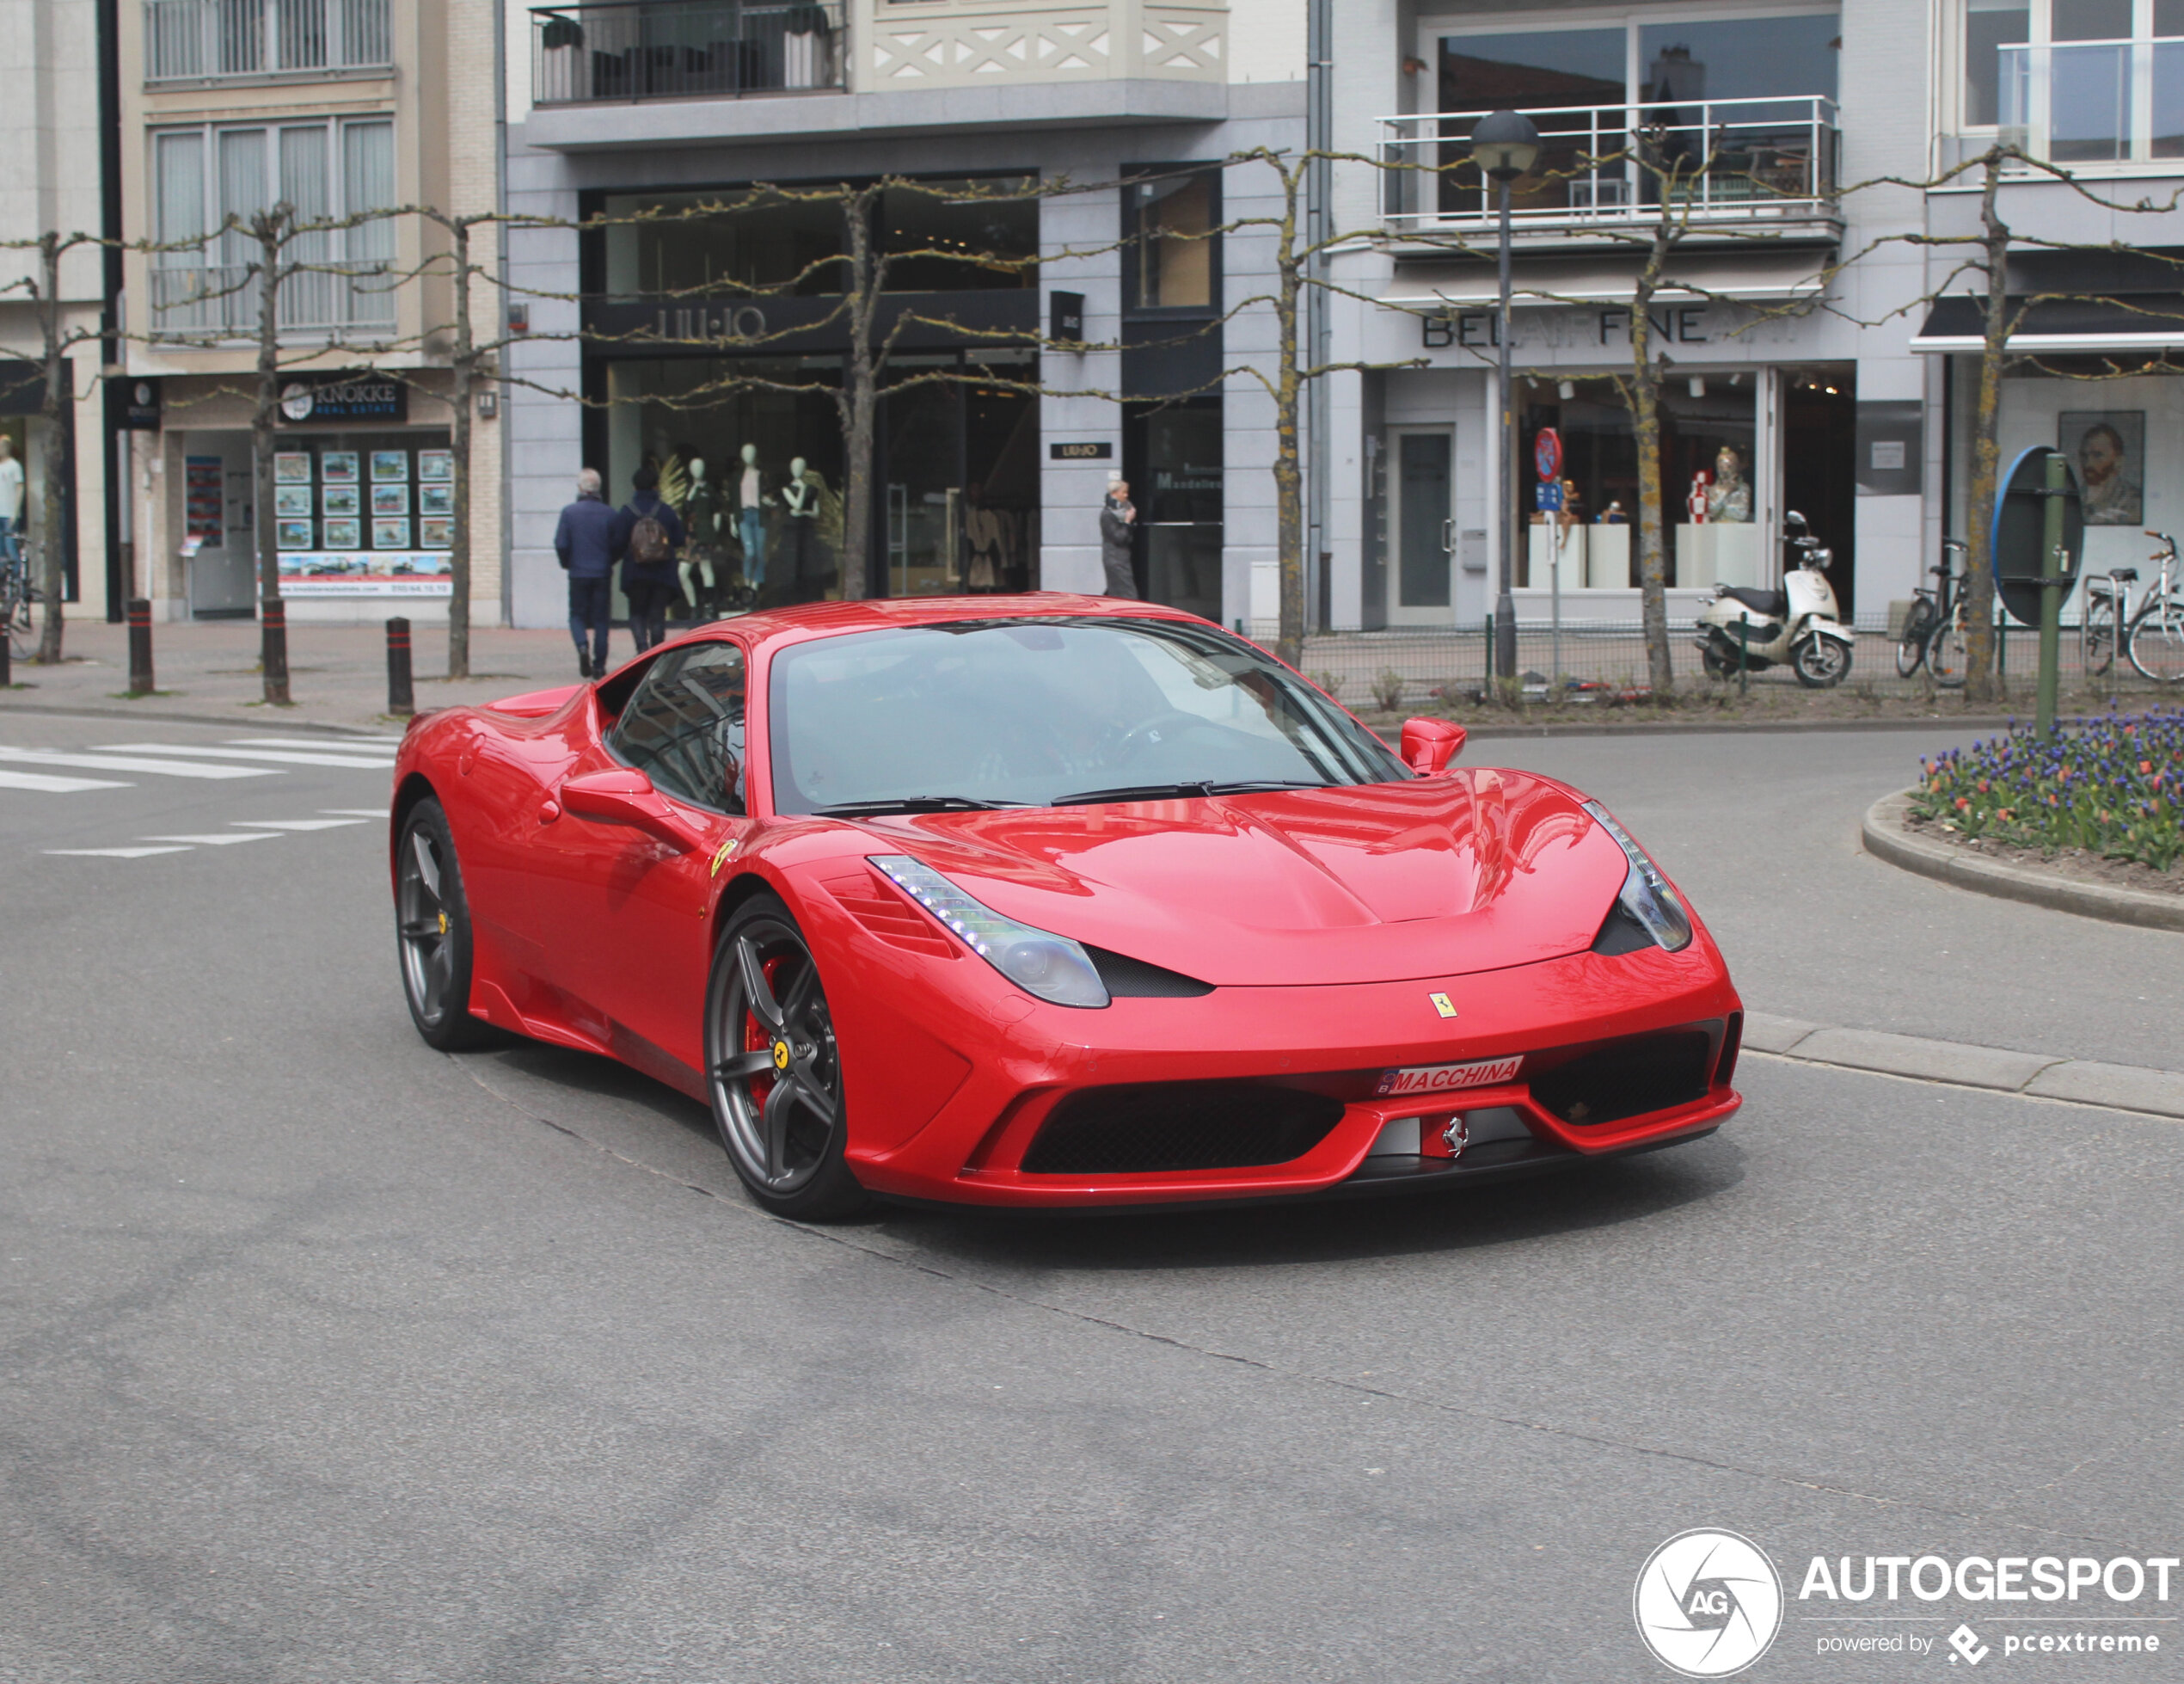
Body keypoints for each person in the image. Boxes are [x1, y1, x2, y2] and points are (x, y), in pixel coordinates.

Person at [611, 464, 686, 654]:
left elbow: (618, 542)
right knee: (657, 615)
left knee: (637, 613)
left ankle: (642, 648)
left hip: (635, 571)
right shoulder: (666, 511)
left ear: (635, 487)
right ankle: (656, 653)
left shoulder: (627, 511)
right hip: (662, 571)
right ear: (656, 486)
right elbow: (679, 540)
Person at [554, 468, 617, 678]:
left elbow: (561, 543)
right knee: (601, 620)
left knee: (577, 615)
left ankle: (582, 646)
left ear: (581, 488)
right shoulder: (609, 513)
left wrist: (567, 563)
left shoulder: (569, 513)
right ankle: (599, 665)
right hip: (601, 572)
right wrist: (609, 561)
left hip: (578, 572)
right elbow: (618, 543)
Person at [2077, 421, 2142, 525]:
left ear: (2118, 461)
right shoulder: (2074, 497)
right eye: (2084, 456)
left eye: (2097, 455)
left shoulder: (2132, 500)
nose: (2088, 463)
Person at [1100, 478, 1138, 598]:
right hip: (1115, 559)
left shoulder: (1121, 511)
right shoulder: (1107, 515)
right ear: (1114, 494)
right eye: (1123, 492)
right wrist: (1127, 521)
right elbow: (1119, 537)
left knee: (1121, 591)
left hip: (1121, 558)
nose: (1126, 496)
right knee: (1126, 593)